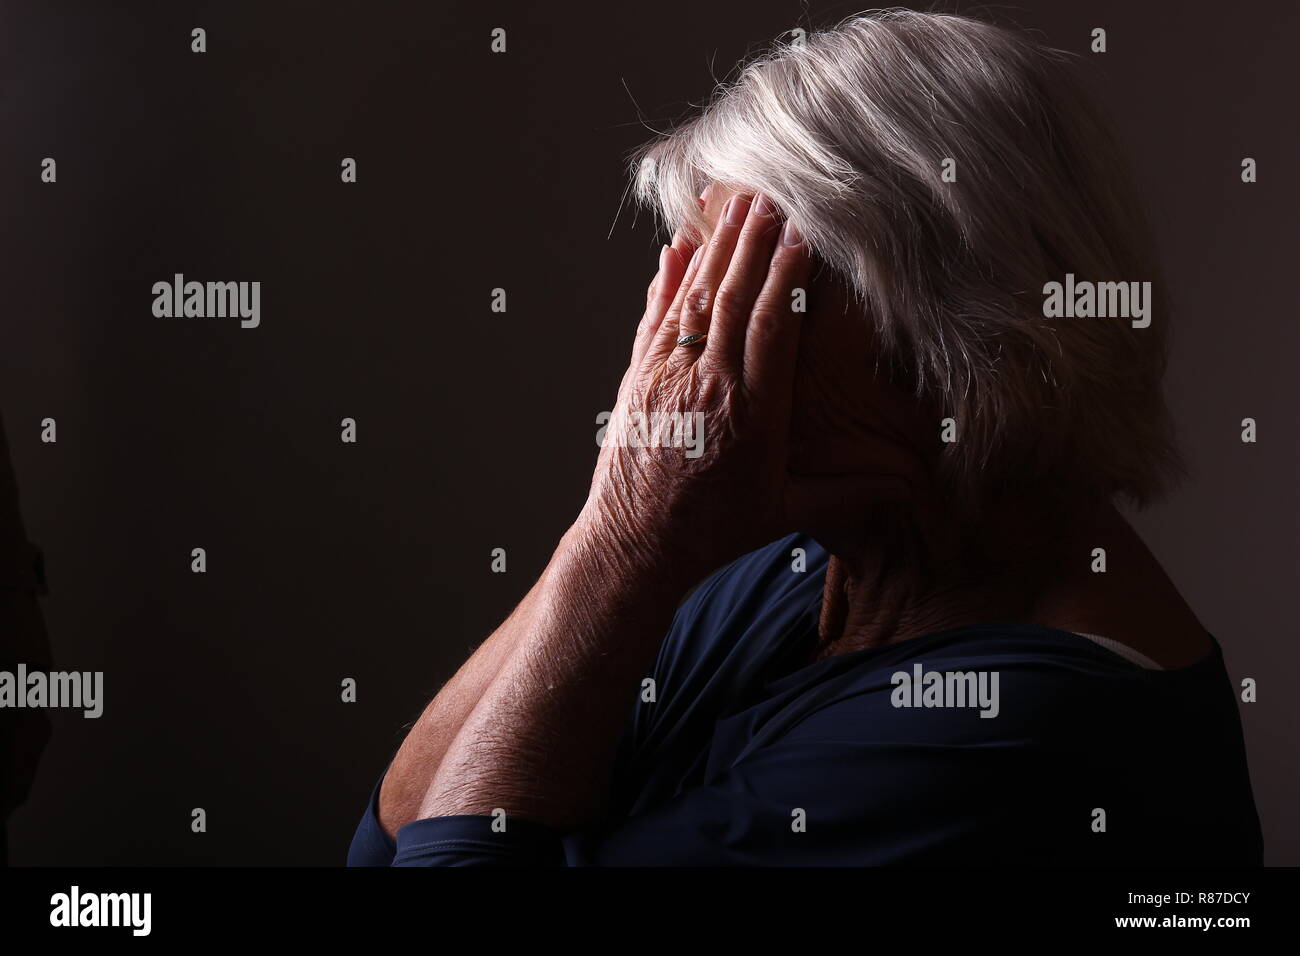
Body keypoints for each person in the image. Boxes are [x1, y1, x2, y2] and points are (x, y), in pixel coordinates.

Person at [348, 10, 1261, 866]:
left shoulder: (1021, 732)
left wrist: (624, 546)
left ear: (959, 331)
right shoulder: (804, 565)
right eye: (693, 279)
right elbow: (394, 836)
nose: (686, 340)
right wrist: (614, 528)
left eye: (751, 289)